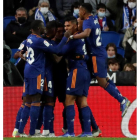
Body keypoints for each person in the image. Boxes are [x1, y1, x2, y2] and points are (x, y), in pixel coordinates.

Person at [70, 3, 130, 117]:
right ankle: (122, 99)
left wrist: (71, 36)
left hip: (96, 55)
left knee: (102, 82)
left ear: (84, 11)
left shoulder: (87, 20)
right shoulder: (94, 19)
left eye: (80, 10)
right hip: (100, 52)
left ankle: (122, 100)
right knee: (106, 78)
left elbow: (86, 33)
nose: (79, 12)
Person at [15, 20, 70, 137]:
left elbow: (18, 53)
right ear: (39, 29)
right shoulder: (39, 41)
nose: (45, 29)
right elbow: (56, 51)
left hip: (28, 70)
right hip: (36, 72)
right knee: (36, 101)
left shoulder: (29, 37)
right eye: (43, 27)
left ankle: (20, 131)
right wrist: (65, 38)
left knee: (28, 102)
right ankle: (32, 133)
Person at [58, 16, 93, 137]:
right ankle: (88, 132)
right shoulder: (82, 38)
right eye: (65, 26)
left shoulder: (73, 39)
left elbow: (59, 52)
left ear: (74, 25)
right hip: (85, 70)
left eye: (68, 26)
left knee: (69, 101)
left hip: (76, 71)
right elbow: (88, 55)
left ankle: (71, 132)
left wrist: (64, 38)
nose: (65, 28)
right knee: (83, 102)